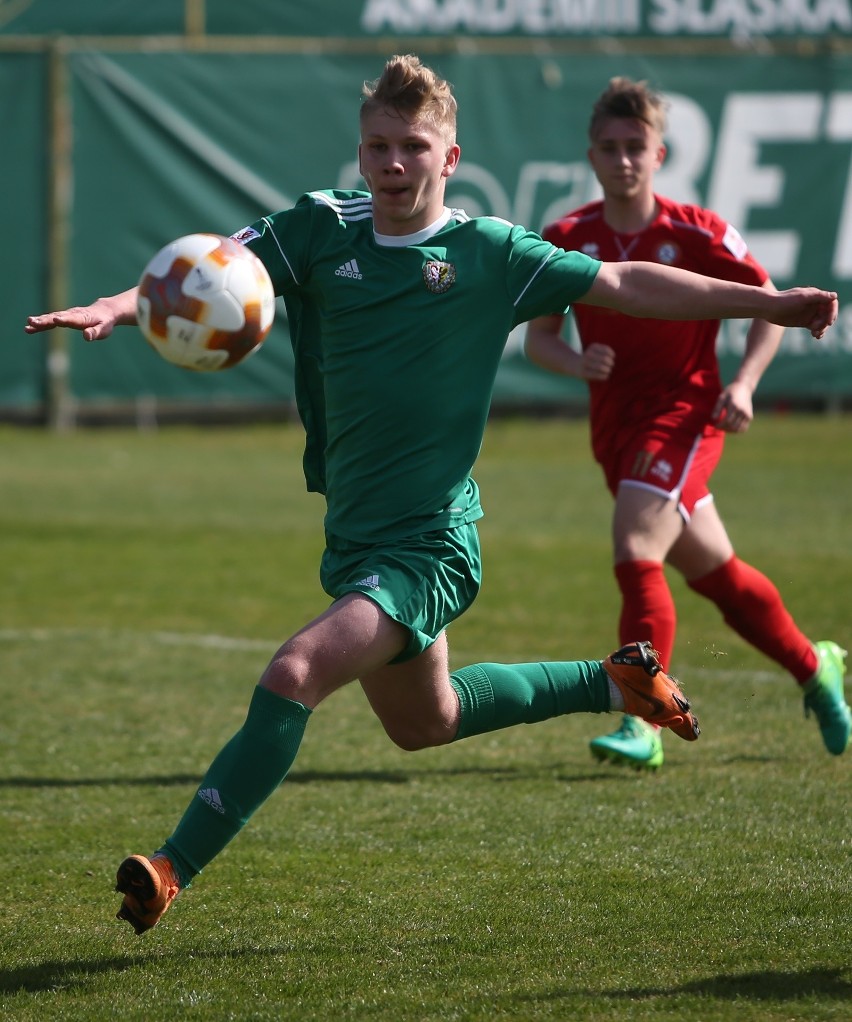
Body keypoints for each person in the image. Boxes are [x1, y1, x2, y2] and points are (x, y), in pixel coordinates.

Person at [26, 56, 837, 935]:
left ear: (450, 158)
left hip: (431, 542)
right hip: (356, 531)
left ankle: (171, 866)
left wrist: (768, 303)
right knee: (427, 722)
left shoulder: (489, 253)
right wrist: (120, 304)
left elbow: (623, 283)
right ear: (361, 149)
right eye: (379, 144)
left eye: (415, 146)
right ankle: (609, 685)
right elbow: (209, 268)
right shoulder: (318, 229)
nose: (394, 163)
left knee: (295, 672)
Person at [525, 76, 850, 772]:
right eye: (609, 148)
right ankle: (814, 663)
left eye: (635, 147)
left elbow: (772, 308)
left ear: (660, 154)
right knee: (717, 575)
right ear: (591, 155)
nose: (622, 160)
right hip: (617, 433)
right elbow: (538, 340)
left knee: (636, 543)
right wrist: (576, 363)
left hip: (684, 420)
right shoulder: (567, 236)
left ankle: (646, 718)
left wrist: (746, 383)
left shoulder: (697, 232)